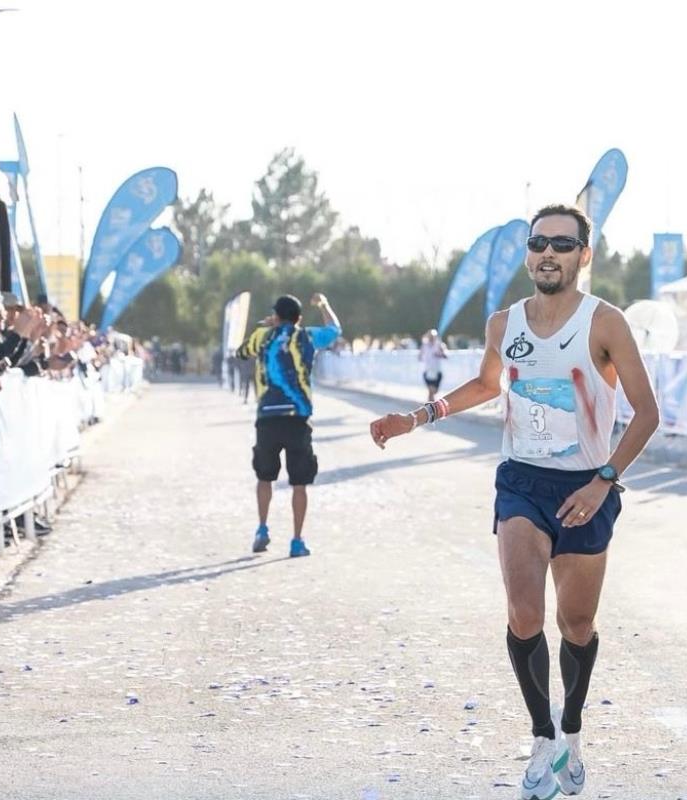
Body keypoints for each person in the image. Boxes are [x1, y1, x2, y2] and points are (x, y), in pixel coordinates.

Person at [369, 204, 659, 800]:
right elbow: (486, 383)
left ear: (585, 255)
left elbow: (647, 413)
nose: (547, 253)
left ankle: (573, 733)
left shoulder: (606, 323)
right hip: (521, 482)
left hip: (586, 487)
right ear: (529, 253)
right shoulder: (506, 323)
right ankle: (542, 739)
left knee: (575, 624)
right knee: (525, 614)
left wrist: (604, 478)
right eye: (538, 242)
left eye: (562, 243)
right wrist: (418, 416)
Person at [237, 293, 341, 558]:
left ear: (276, 316)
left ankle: (262, 528)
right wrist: (324, 304)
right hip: (297, 419)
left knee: (264, 477)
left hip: (267, 418)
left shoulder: (263, 336)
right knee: (299, 482)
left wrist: (267, 328)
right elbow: (335, 330)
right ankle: (296, 540)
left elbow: (241, 352)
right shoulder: (306, 336)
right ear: (299, 318)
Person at [419, 328, 447, 402]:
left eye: (433, 336)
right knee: (430, 391)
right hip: (427, 371)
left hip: (437, 371)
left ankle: (430, 407)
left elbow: (445, 356)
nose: (431, 338)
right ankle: (430, 409)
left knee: (434, 391)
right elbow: (420, 357)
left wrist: (439, 354)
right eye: (430, 336)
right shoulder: (424, 345)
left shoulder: (439, 345)